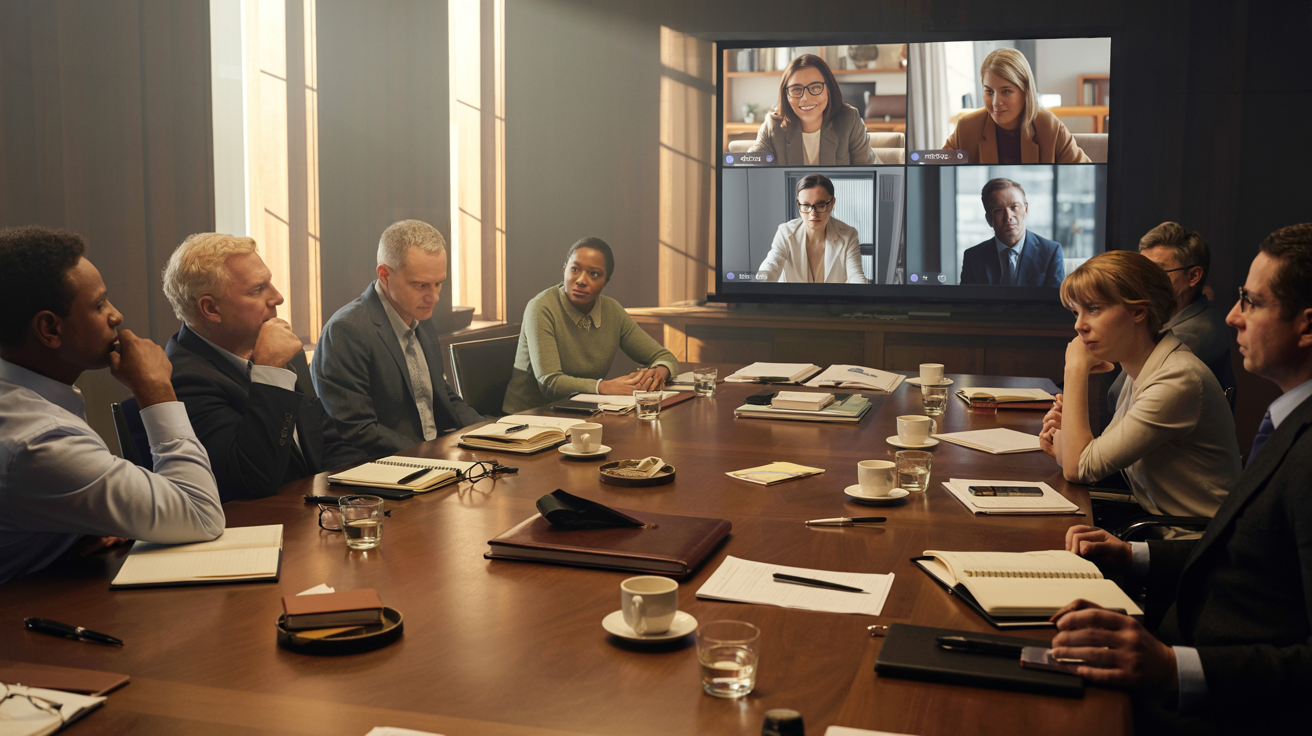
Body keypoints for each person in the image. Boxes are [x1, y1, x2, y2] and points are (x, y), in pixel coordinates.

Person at [1053, 224, 1312, 733]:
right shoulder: (1287, 421)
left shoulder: (1184, 377)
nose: (1232, 317)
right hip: (1178, 602)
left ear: (1306, 327)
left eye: (1252, 303)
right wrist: (1133, 556)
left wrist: (1175, 669)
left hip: (1217, 695)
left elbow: (1081, 465)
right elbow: (1240, 548)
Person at [0, 226, 224, 585]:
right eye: (99, 304)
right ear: (49, 329)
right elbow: (199, 514)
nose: (116, 316)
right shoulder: (35, 441)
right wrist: (155, 390)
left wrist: (72, 527)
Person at [160, 233, 365, 502]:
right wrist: (270, 372)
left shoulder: (273, 348)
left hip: (315, 512)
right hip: (257, 527)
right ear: (211, 308)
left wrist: (359, 494)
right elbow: (251, 479)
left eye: (269, 282)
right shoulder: (183, 378)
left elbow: (329, 441)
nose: (277, 297)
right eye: (258, 289)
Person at [1039, 250, 1239, 518]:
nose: (1079, 325)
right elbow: (1082, 462)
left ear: (1138, 311)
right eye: (1076, 312)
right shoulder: (1143, 369)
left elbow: (1079, 468)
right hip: (1156, 526)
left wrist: (1075, 368)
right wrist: (1065, 434)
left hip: (1194, 546)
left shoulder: (1176, 379)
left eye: (1093, 309)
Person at [312, 220, 482, 459]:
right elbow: (358, 429)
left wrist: (489, 433)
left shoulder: (419, 314)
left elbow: (441, 394)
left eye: (438, 283)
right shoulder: (347, 330)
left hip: (431, 456)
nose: (433, 297)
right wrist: (432, 455)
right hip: (376, 466)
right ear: (384, 275)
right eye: (421, 285)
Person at [502, 238, 680, 414]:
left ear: (606, 282)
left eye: (594, 274)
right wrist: (605, 386)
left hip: (581, 413)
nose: (581, 280)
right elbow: (550, 382)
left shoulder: (612, 310)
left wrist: (656, 375)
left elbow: (665, 357)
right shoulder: (541, 307)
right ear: (564, 271)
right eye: (574, 269)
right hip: (528, 419)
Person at [1107, 222, 1235, 410]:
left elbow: (1116, 397)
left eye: (1156, 271)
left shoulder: (1194, 333)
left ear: (1193, 276)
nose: (1143, 281)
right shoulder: (1178, 315)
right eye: (1142, 271)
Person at [942, 48, 1090, 164]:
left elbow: (1087, 174)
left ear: (1025, 91)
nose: (995, 102)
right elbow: (934, 168)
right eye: (989, 91)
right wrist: (918, 157)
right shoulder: (967, 127)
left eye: (1006, 91)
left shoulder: (1050, 127)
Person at [747, 54, 877, 166]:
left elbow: (868, 170)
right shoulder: (774, 125)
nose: (805, 98)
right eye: (796, 89)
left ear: (829, 89)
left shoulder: (849, 119)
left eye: (815, 88)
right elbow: (749, 164)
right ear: (786, 96)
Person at [756, 174, 867, 284]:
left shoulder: (849, 235)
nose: (813, 213)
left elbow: (856, 276)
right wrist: (758, 285)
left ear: (832, 204)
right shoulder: (785, 232)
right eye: (806, 205)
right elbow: (771, 265)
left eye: (820, 205)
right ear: (798, 205)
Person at [959, 178, 1065, 287]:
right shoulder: (973, 257)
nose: (1008, 217)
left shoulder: (1050, 252)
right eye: (999, 210)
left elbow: (1054, 302)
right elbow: (967, 303)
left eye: (1014, 207)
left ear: (1026, 209)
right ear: (989, 219)